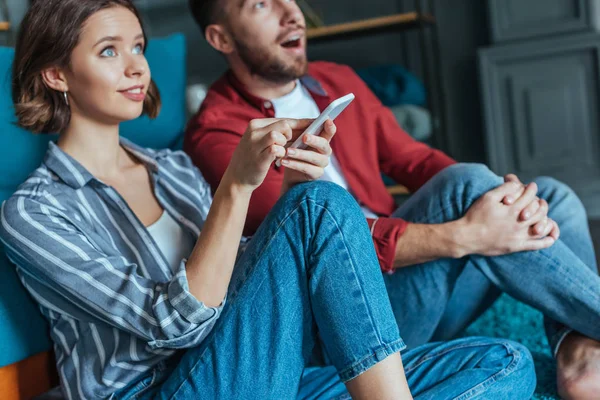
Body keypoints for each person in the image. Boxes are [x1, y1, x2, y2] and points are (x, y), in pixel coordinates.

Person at [0, 0, 537, 399]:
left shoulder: (172, 168)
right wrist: (239, 187)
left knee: (505, 363)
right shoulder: (35, 212)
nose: (137, 66)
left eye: (138, 46)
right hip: (162, 389)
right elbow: (174, 325)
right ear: (56, 73)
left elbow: (248, 281)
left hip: (263, 369)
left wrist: (294, 195)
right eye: (109, 51)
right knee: (321, 206)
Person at [184, 0, 600, 398]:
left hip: (413, 297)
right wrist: (464, 234)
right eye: (260, 4)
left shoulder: (336, 79)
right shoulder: (219, 134)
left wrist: (497, 192)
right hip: (342, 332)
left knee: (550, 197)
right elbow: (315, 236)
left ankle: (579, 354)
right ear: (221, 38)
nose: (292, 13)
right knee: (466, 187)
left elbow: (414, 160)